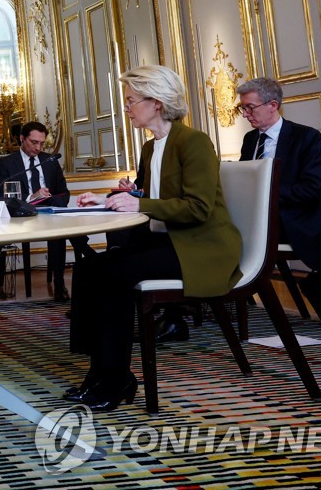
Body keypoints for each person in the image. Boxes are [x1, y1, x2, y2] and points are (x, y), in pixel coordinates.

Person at [68, 65, 242, 411]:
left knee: (114, 275)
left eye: (132, 101)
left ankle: (115, 378)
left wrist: (140, 200)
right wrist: (112, 198)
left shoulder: (194, 142)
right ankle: (99, 371)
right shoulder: (151, 148)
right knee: (89, 268)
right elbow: (150, 194)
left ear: (157, 103)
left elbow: (198, 208)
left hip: (201, 246)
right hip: (167, 241)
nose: (128, 108)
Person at [237, 77, 321, 271]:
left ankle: (233, 295)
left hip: (293, 220)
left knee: (227, 236)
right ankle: (232, 296)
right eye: (242, 108)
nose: (245, 115)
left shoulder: (306, 137)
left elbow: (311, 190)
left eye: (250, 107)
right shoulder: (250, 139)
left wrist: (265, 195)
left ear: (273, 105)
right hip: (254, 220)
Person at [0, 121, 93, 301]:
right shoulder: (7, 163)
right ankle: (89, 255)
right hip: (23, 215)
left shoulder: (50, 161)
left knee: (58, 230)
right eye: (34, 142)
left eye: (42, 143)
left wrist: (50, 199)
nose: (38, 147)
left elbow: (64, 193)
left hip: (50, 211)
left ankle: (59, 281)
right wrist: (33, 197)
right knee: (63, 229)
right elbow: (3, 196)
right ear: (22, 139)